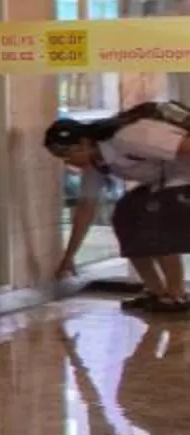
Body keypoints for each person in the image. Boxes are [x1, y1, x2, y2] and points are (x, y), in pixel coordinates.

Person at [48, 108, 190, 312]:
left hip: (182, 176)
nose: (66, 162)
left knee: (158, 217)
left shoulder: (129, 137)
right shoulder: (96, 163)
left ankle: (177, 297)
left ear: (85, 142)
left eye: (66, 153)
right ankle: (157, 292)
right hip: (164, 180)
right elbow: (85, 210)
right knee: (126, 216)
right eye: (59, 157)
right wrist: (68, 257)